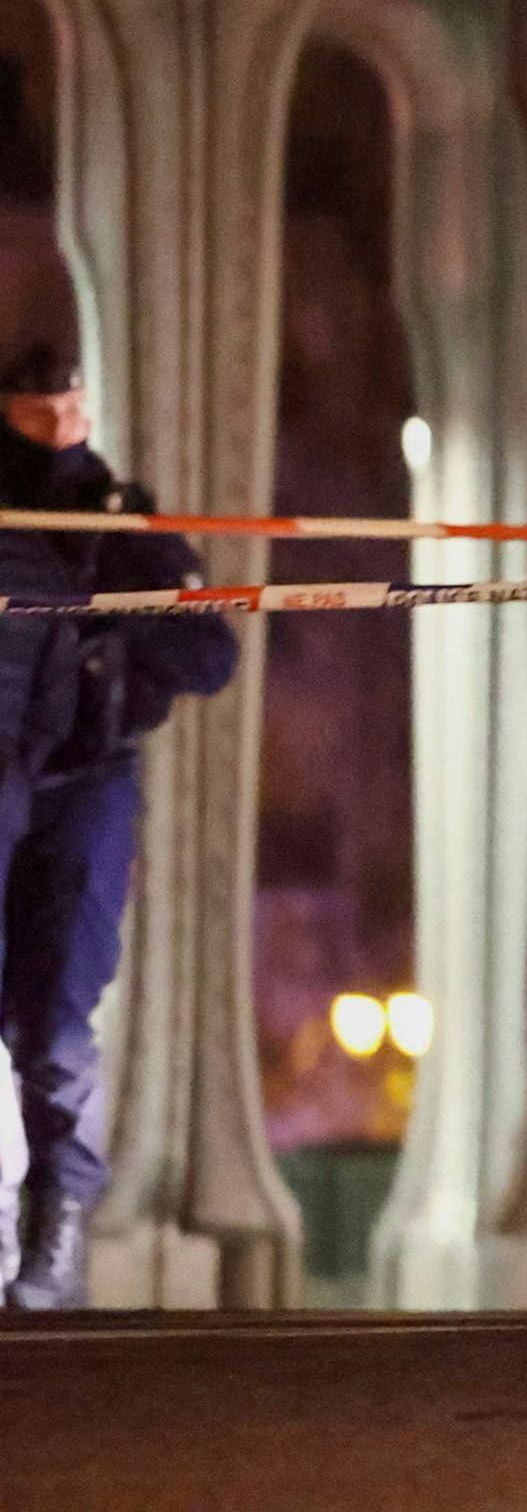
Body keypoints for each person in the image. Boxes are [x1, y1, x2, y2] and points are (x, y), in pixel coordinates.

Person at [0, 344, 236, 1311]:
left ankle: (56, 1223)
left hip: (88, 776)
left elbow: (209, 649)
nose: (61, 421)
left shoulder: (122, 518)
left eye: (73, 403)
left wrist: (118, 627)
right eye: (38, 406)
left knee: (58, 1015)